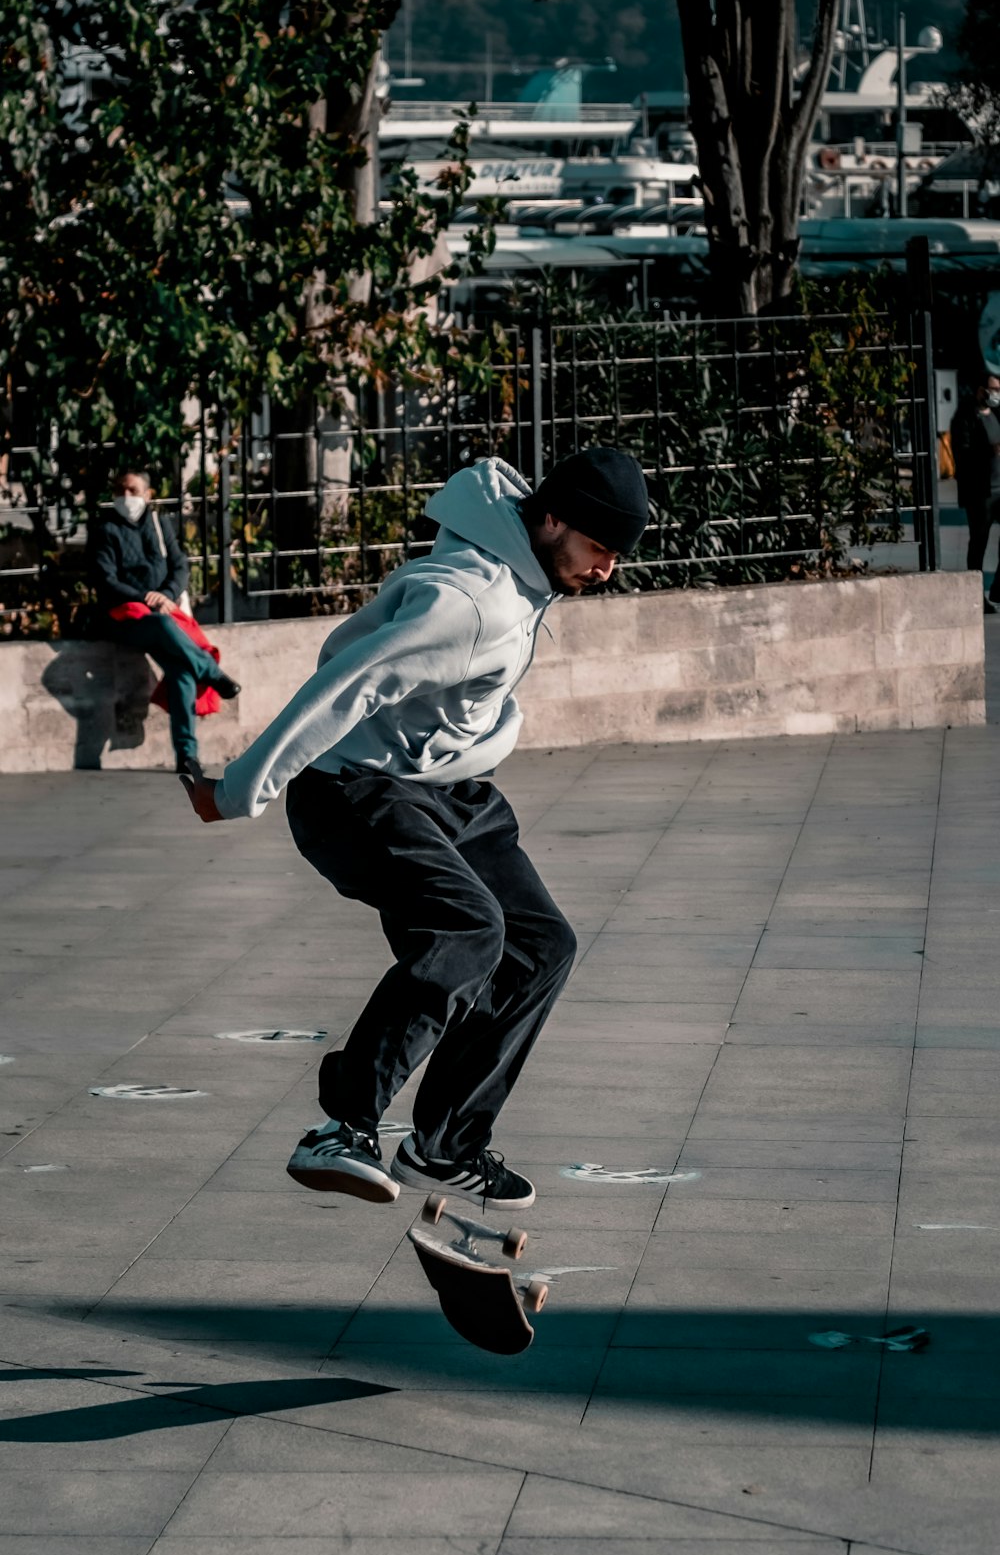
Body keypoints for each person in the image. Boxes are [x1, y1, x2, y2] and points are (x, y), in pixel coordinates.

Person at [182, 447, 649, 1211]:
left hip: (449, 792)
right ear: (553, 518)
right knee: (466, 928)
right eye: (600, 550)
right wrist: (237, 790)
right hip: (352, 790)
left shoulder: (526, 563)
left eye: (617, 556)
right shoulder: (467, 600)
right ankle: (344, 1126)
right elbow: (345, 683)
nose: (606, 571)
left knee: (540, 947)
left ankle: (445, 1145)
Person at [92, 469, 242, 772]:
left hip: (162, 610)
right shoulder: (106, 530)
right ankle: (211, 672)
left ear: (148, 495)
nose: (126, 497)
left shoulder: (159, 525)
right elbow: (106, 580)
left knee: (181, 671)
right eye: (121, 491)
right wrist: (145, 596)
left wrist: (166, 595)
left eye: (133, 491)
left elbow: (179, 566)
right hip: (127, 618)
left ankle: (187, 756)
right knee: (163, 629)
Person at [952, 372, 1000, 614]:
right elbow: (962, 452)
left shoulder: (996, 415)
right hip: (980, 492)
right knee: (979, 543)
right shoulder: (965, 417)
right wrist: (989, 450)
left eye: (998, 389)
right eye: (993, 389)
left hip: (999, 487)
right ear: (981, 390)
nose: (996, 394)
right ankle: (976, 595)